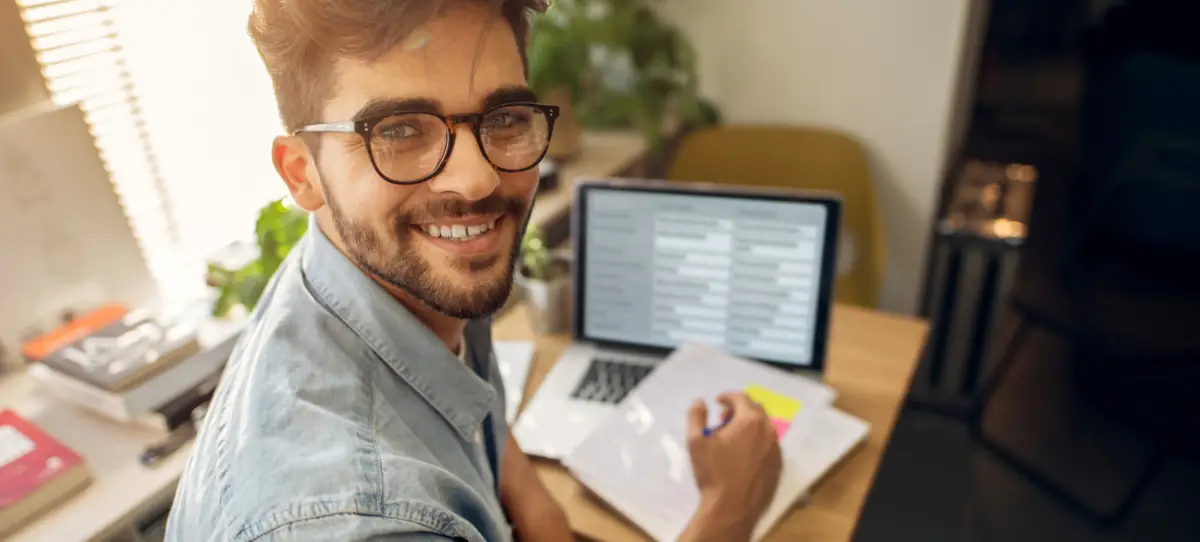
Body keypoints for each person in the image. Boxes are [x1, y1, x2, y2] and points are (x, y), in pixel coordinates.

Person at [165, 1, 782, 540]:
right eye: (399, 130)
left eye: (506, 117)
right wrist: (728, 510)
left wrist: (540, 516)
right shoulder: (360, 522)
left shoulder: (399, 283)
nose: (477, 180)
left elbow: (462, 399)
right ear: (303, 173)